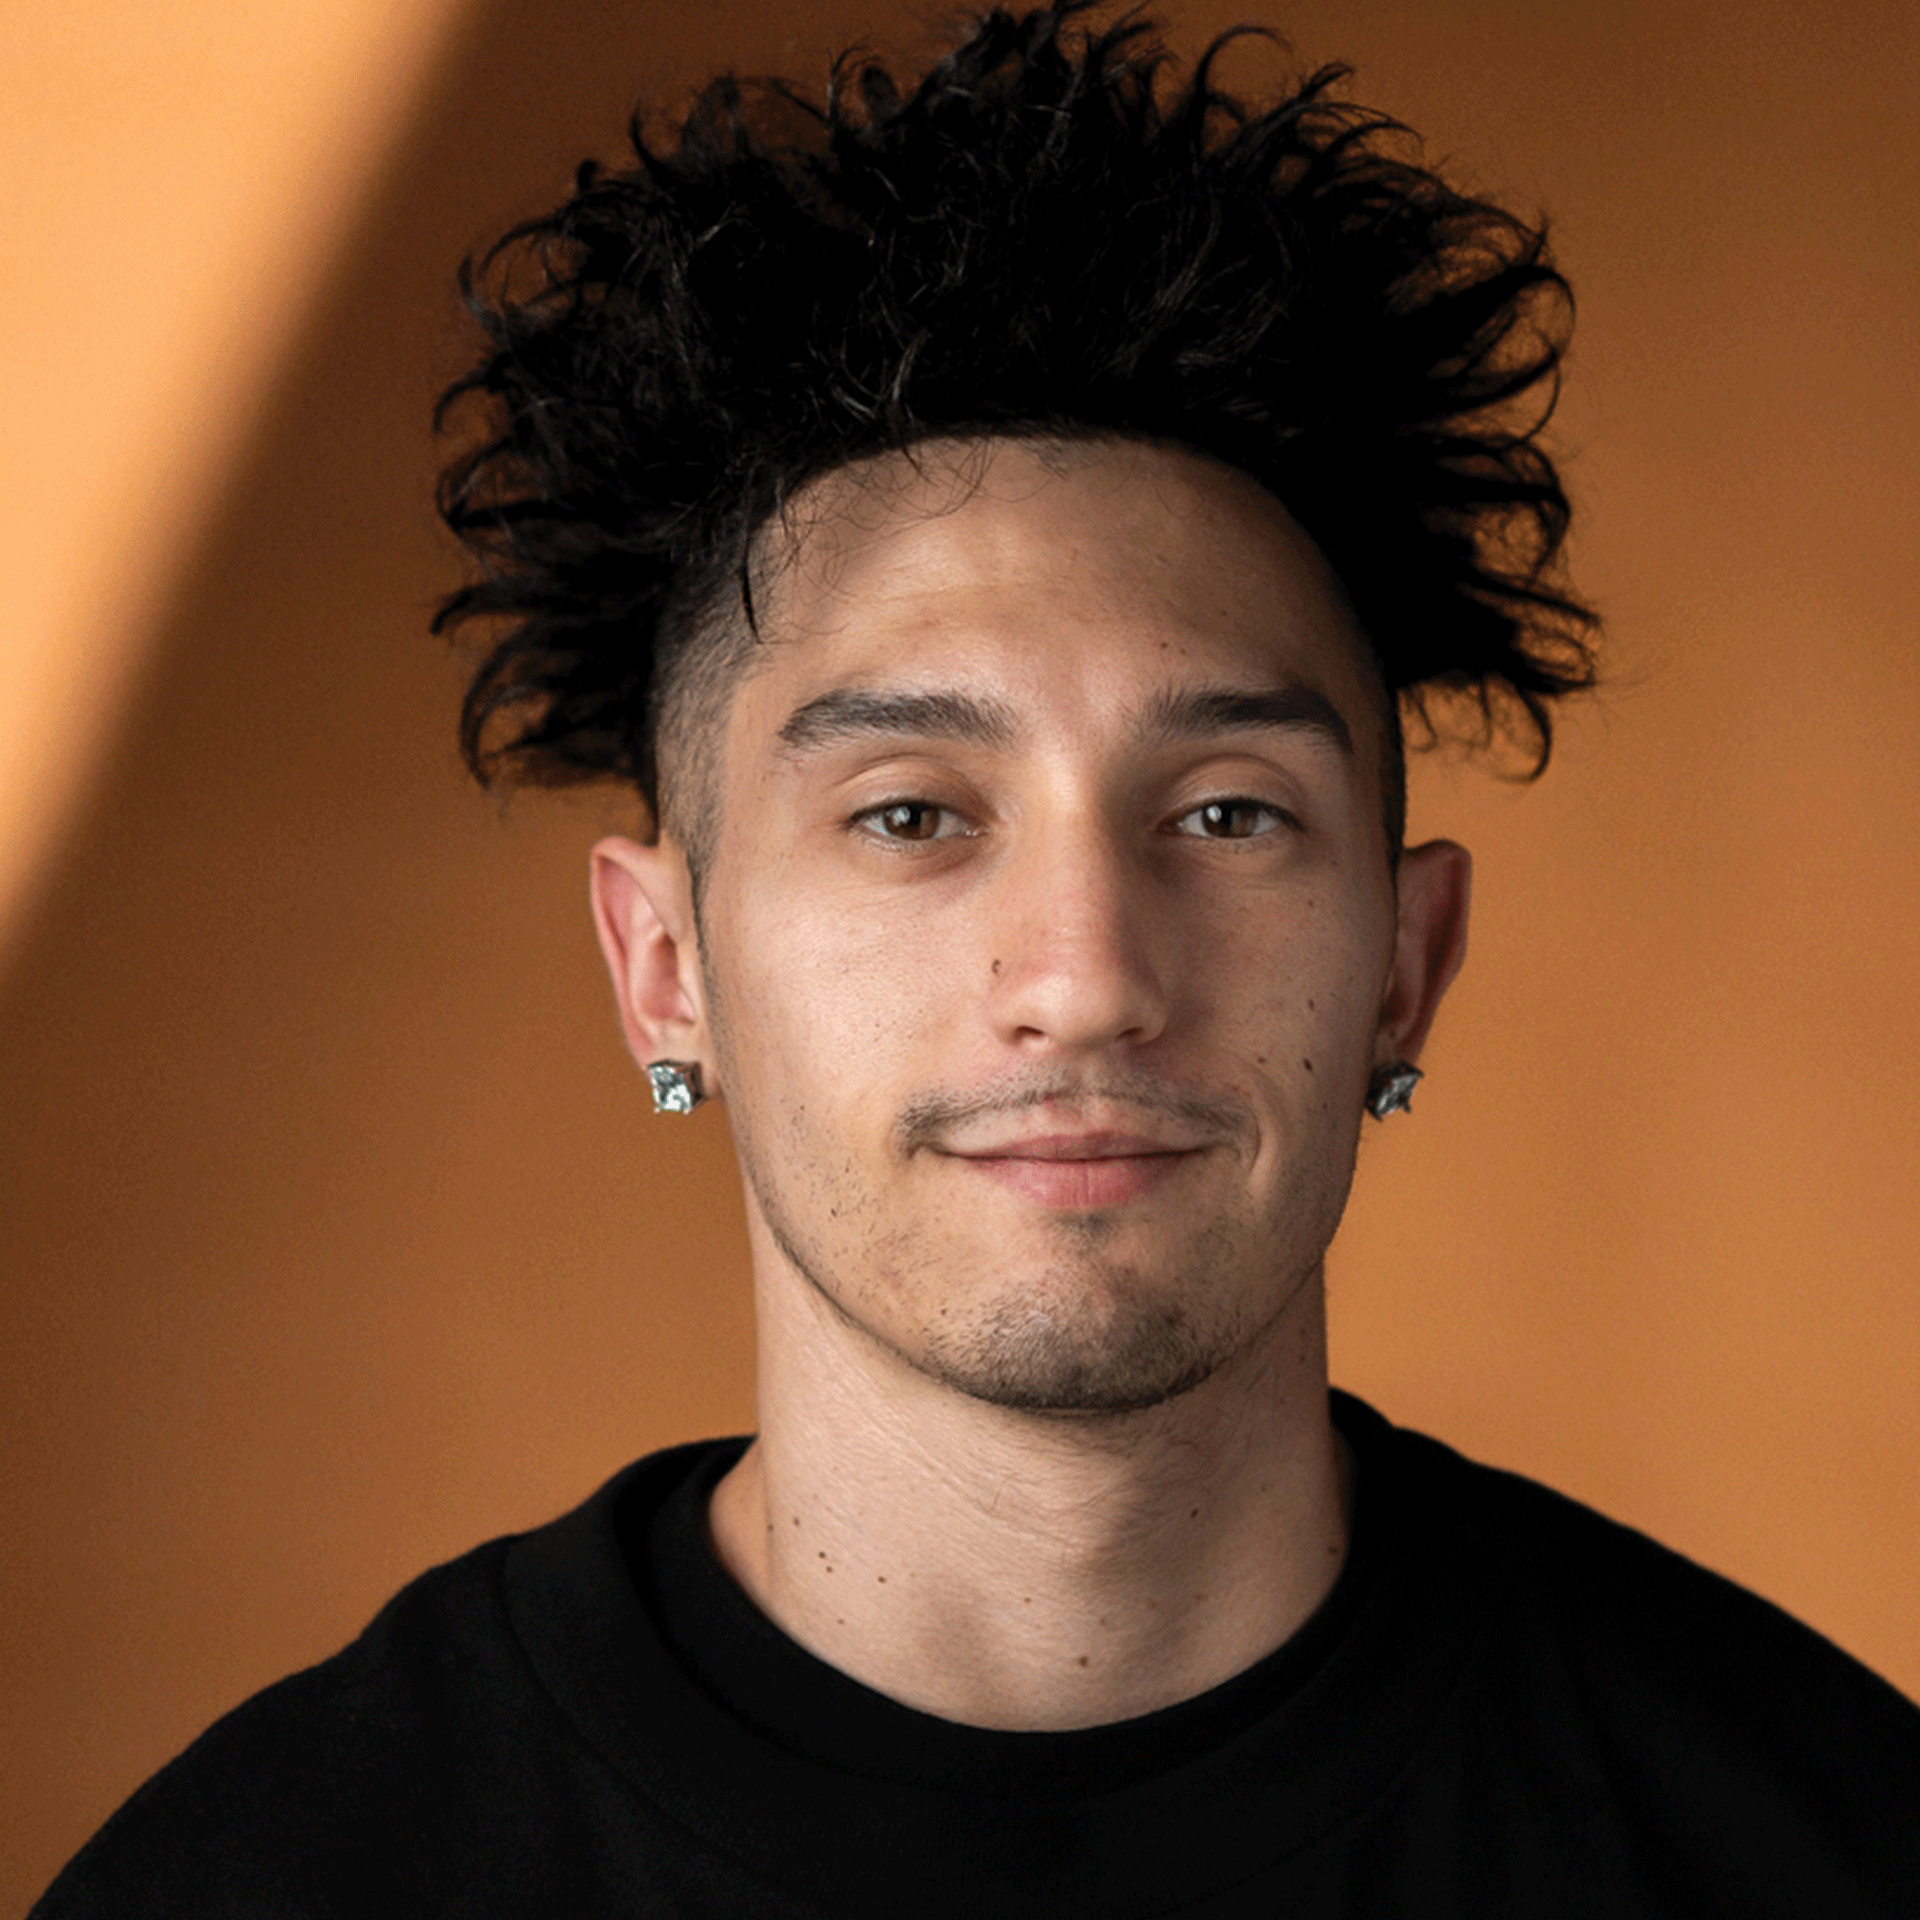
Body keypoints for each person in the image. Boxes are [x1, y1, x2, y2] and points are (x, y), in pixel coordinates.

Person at [33, 4, 1920, 1914]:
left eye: (1228, 814)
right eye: (912, 815)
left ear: (1404, 966)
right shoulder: (280, 1880)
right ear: (665, 967)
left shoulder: (1822, 1844)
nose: (1086, 979)